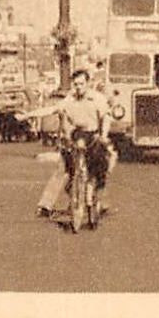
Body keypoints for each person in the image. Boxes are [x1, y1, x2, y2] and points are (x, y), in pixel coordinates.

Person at [19, 69, 113, 218]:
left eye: (81, 84)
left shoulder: (97, 99)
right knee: (64, 167)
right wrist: (27, 115)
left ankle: (100, 203)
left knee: (101, 168)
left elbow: (106, 118)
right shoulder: (69, 99)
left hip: (93, 136)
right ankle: (46, 206)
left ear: (88, 83)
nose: (78, 87)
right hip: (77, 136)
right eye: (75, 84)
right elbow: (51, 109)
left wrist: (103, 136)